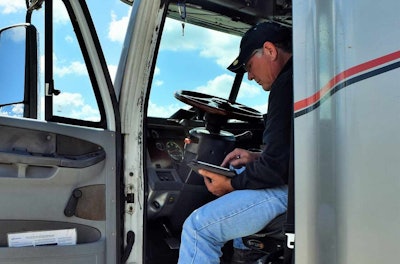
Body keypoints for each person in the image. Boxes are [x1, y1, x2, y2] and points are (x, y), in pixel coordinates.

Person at [178, 21, 293, 264]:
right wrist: (258, 158)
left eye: (250, 66)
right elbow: (297, 150)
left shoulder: (286, 84)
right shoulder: (305, 77)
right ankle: (246, 254)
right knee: (238, 169)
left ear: (270, 50)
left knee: (198, 230)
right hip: (303, 182)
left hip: (294, 190)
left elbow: (275, 170)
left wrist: (231, 186)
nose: (250, 76)